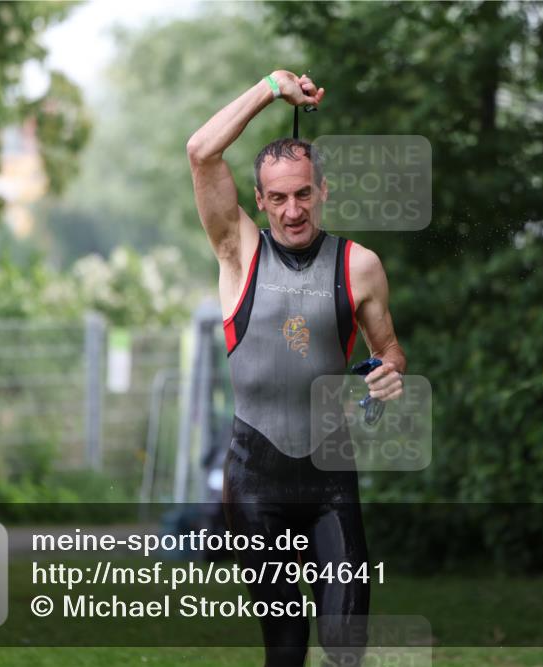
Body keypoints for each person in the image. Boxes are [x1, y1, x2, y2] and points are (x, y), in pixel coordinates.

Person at [187, 70, 406, 666]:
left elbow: (389, 351)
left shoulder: (359, 266)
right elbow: (201, 151)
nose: (292, 210)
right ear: (257, 200)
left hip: (331, 479)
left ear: (322, 191)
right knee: (286, 649)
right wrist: (270, 89)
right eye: (277, 197)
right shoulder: (238, 251)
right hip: (255, 481)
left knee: (345, 646)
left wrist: (388, 375)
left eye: (303, 194)